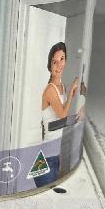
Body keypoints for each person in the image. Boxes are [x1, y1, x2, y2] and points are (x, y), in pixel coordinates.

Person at [36, 42, 79, 187]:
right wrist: (71, 92)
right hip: (46, 158)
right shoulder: (50, 90)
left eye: (62, 59)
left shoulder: (62, 88)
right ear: (50, 66)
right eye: (54, 62)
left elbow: (58, 125)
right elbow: (62, 116)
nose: (59, 65)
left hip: (54, 156)